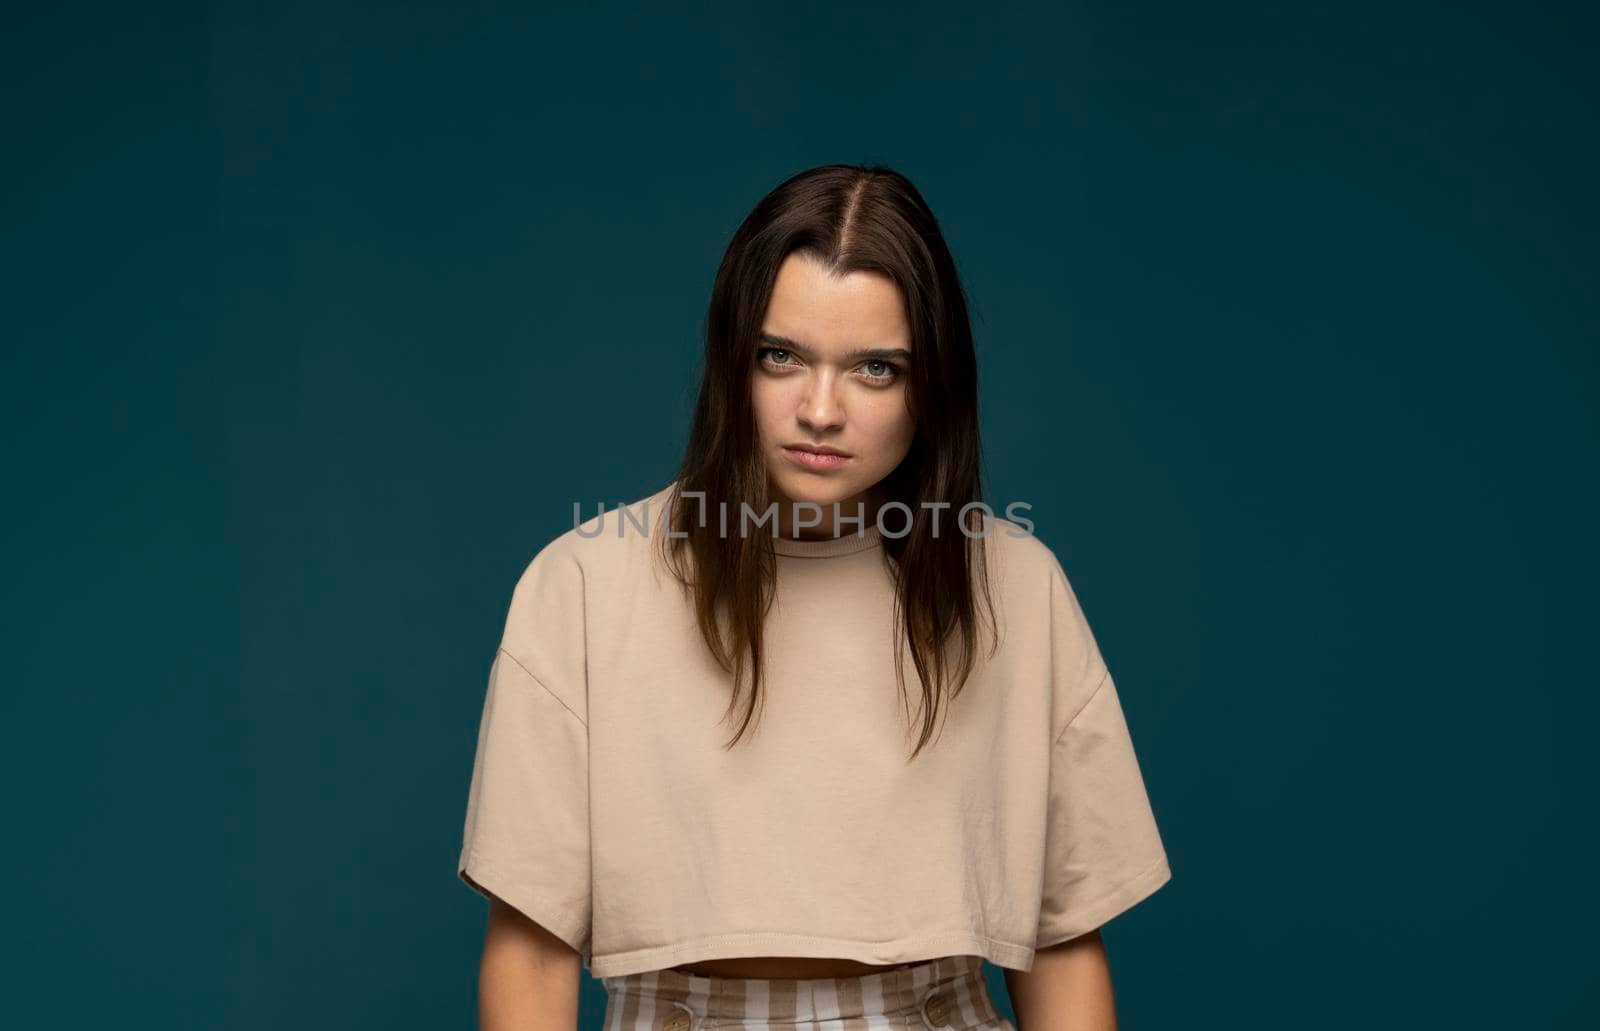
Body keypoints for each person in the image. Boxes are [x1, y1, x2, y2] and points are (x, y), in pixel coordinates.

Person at [456, 164, 1172, 1030]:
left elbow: (1062, 939)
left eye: (875, 368)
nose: (820, 409)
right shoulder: (580, 584)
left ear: (932, 385)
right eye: (781, 356)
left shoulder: (1017, 587)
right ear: (732, 361)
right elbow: (532, 955)